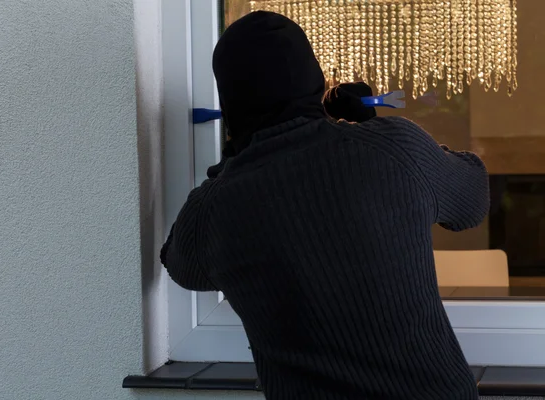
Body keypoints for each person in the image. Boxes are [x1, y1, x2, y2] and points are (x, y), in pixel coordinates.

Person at [161, 11, 488, 400]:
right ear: (315, 83)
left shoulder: (215, 211)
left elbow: (180, 266)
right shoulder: (393, 150)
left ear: (230, 105)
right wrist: (363, 124)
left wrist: (233, 160)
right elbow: (472, 200)